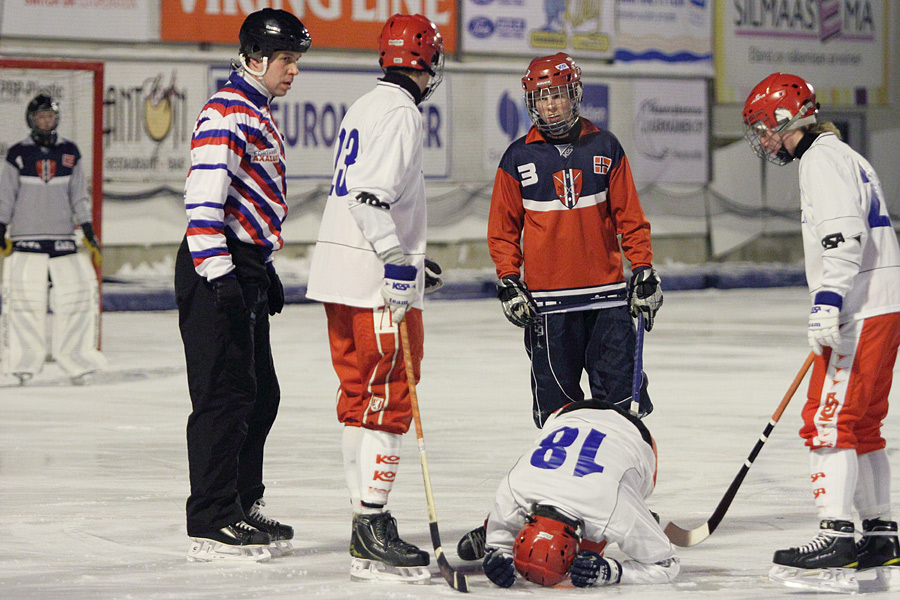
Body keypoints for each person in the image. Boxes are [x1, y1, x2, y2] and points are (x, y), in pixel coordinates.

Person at [742, 72, 900, 593]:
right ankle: (880, 534)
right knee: (864, 423)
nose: (764, 140)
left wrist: (828, 304)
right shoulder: (846, 155)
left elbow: (843, 234)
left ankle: (836, 533)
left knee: (828, 422)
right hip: (884, 302)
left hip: (860, 307)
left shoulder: (820, 160)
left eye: (765, 128)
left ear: (788, 120)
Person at [305, 13, 445, 584]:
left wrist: (410, 257)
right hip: (372, 281)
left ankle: (363, 516)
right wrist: (395, 259)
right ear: (428, 64)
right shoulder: (403, 113)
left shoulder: (365, 104)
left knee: (358, 395)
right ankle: (372, 523)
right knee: (389, 398)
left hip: (338, 271)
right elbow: (369, 197)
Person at [174, 8, 310, 563]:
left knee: (260, 393)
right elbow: (204, 199)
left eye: (296, 61)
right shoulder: (226, 110)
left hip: (245, 264)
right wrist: (220, 273)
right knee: (223, 395)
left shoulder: (258, 109)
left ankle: (241, 500)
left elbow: (248, 203)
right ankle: (211, 515)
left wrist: (262, 268)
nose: (293, 71)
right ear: (255, 58)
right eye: (286, 60)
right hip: (217, 268)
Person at [487, 52, 662, 429]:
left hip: (608, 302)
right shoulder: (517, 157)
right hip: (549, 309)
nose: (550, 106)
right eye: (541, 98)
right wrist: (508, 279)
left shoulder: (605, 146)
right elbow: (502, 230)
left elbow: (629, 218)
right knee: (558, 418)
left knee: (622, 412)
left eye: (558, 95)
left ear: (575, 94)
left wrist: (644, 268)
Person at [476, 399, 679, 588]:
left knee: (586, 560)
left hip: (633, 436)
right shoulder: (514, 489)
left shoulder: (613, 510)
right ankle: (639, 527)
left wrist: (610, 572)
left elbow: (668, 563)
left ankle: (639, 520)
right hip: (566, 414)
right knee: (588, 558)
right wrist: (499, 555)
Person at [0, 92, 106, 386]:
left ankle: (78, 360)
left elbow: (78, 196)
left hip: (62, 239)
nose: (46, 122)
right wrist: (1, 226)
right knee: (23, 303)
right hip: (25, 240)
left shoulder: (70, 152)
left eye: (51, 117)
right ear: (31, 121)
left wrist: (87, 231)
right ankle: (22, 362)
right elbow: (6, 195)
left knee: (76, 300)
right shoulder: (17, 154)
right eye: (41, 117)